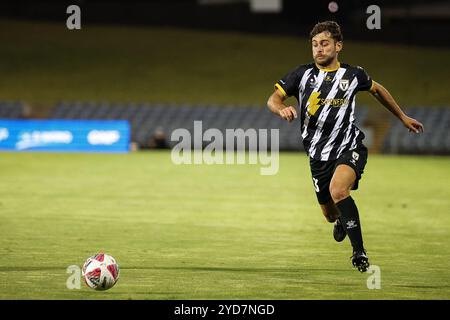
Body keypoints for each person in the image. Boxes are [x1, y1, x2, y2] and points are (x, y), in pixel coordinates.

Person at [267, 21, 424, 272]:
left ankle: (359, 252)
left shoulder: (353, 75)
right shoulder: (301, 74)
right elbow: (273, 98)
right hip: (318, 155)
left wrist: (402, 117)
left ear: (338, 46)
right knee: (329, 214)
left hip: (348, 146)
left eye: (325, 43)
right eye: (315, 44)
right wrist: (281, 108)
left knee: (339, 190)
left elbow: (377, 90)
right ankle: (341, 218)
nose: (318, 49)